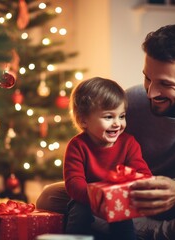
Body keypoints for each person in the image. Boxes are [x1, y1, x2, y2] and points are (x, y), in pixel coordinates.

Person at [36, 24, 175, 239]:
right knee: (50, 197)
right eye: (148, 78)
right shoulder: (132, 100)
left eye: (165, 84)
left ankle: (151, 233)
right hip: (133, 203)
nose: (151, 92)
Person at [64, 77, 152, 240]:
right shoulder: (77, 146)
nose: (117, 123)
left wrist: (130, 187)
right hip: (86, 198)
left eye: (122, 116)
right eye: (108, 117)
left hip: (118, 198)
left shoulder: (129, 143)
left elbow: (143, 174)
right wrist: (98, 197)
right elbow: (74, 183)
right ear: (83, 120)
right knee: (78, 212)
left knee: (123, 219)